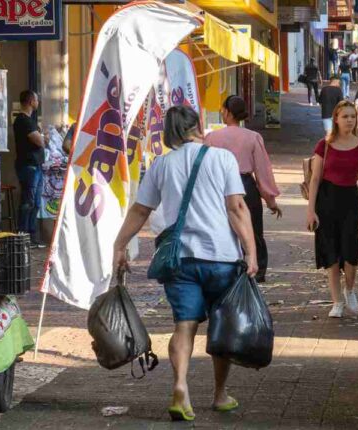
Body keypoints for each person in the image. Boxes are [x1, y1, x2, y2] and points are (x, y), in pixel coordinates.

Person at [113, 105, 257, 421]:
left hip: (180, 259)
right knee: (222, 328)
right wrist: (251, 251)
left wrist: (119, 245)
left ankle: (180, 387)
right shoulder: (222, 159)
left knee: (184, 325)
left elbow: (140, 211)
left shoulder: (161, 165)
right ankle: (220, 395)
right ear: (198, 125)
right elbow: (236, 208)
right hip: (221, 256)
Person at [203, 95, 282, 283]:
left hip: (218, 187)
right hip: (246, 186)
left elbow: (204, 168)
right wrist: (271, 201)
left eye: (223, 110)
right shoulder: (253, 137)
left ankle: (225, 267)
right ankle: (257, 270)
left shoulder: (211, 138)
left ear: (228, 113)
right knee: (252, 229)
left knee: (221, 228)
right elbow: (263, 171)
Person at [306, 100, 358, 318]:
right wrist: (310, 210)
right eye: (345, 117)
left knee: (351, 252)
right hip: (326, 201)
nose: (349, 120)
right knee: (331, 254)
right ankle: (337, 302)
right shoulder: (323, 145)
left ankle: (349, 288)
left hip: (350, 201)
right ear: (336, 118)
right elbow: (315, 179)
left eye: (352, 116)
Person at [13, 90, 46, 247]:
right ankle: (23, 235)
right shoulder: (23, 121)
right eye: (36, 100)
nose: (38, 103)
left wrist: (41, 135)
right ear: (31, 101)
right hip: (28, 167)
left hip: (36, 166)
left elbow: (40, 137)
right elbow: (39, 141)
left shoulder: (30, 121)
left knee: (36, 203)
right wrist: (42, 136)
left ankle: (32, 236)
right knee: (28, 201)